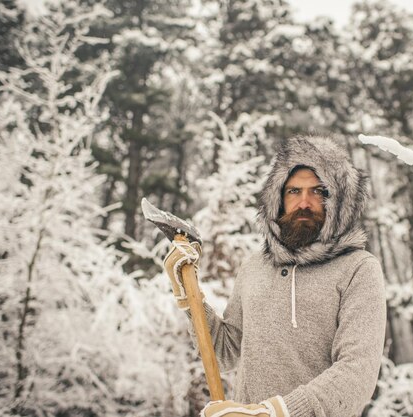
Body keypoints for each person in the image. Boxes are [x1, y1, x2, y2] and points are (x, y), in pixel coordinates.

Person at [165, 135, 386, 417]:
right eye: (293, 192)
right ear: (277, 200)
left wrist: (275, 413)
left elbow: (356, 374)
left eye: (318, 192)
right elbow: (225, 351)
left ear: (339, 200)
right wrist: (187, 291)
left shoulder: (358, 269)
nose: (304, 202)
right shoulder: (254, 268)